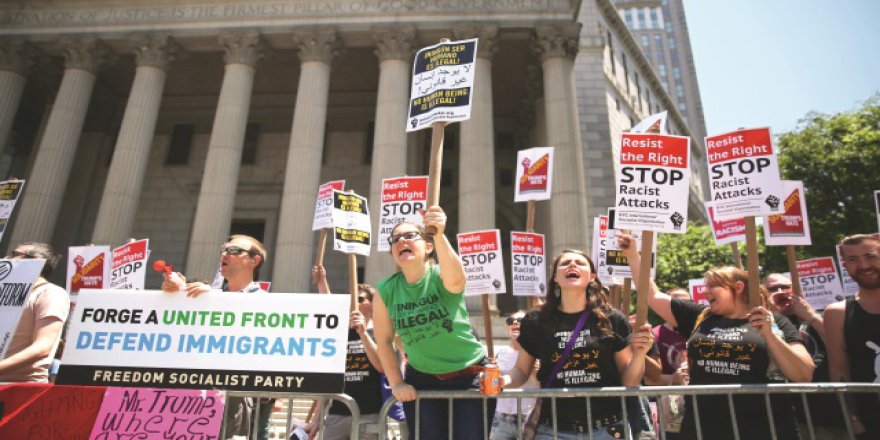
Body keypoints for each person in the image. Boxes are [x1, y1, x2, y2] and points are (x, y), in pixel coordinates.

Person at [619, 234, 813, 440]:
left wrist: (770, 336)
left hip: (763, 427)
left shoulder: (775, 322)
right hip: (703, 427)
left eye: (712, 285)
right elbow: (652, 295)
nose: (705, 291)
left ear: (737, 288)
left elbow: (803, 374)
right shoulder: (700, 317)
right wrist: (632, 253)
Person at [504, 249, 654, 440]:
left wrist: (640, 353)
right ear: (556, 278)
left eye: (580, 263)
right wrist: (501, 381)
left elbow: (629, 381)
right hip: (554, 430)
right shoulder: (535, 320)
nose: (572, 265)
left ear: (592, 277)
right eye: (565, 263)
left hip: (607, 429)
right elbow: (521, 371)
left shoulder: (612, 319)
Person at [372, 206, 493, 440]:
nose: (401, 241)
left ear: (428, 247)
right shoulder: (386, 290)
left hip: (469, 375)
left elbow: (457, 281)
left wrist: (438, 234)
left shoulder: (440, 275)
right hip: (421, 380)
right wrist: (397, 384)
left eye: (410, 236)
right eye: (395, 239)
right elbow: (384, 341)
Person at [162, 234, 273, 440]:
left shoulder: (266, 303)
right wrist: (174, 297)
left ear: (254, 261)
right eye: (223, 249)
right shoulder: (203, 296)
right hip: (191, 396)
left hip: (232, 402)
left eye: (233, 251)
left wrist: (216, 299)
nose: (224, 254)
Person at [764, 273, 845, 439]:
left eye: (785, 287)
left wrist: (810, 315)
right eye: (772, 289)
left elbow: (841, 346)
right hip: (790, 415)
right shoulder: (765, 323)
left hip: (829, 414)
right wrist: (771, 314)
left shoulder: (814, 317)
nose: (780, 292)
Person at [312, 264, 385, 440]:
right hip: (337, 414)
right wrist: (322, 281)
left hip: (369, 415)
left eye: (360, 299)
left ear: (373, 306)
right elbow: (330, 307)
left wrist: (363, 333)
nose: (354, 304)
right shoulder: (339, 334)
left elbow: (381, 366)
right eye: (351, 299)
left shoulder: (380, 334)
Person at [824, 234, 880, 439]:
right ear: (845, 265)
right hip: (871, 423)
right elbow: (839, 370)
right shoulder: (837, 313)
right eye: (853, 259)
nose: (864, 265)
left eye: (870, 256)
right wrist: (853, 422)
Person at [0, 242, 69, 383]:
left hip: (18, 389)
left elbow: (42, 347)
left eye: (14, 254)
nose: (6, 258)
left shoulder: (50, 293)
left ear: (35, 260)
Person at [489, 310, 539, 440]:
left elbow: (543, 385)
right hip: (500, 418)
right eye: (510, 321)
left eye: (521, 320)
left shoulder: (537, 354)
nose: (515, 322)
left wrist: (535, 372)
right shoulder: (499, 353)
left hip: (526, 418)